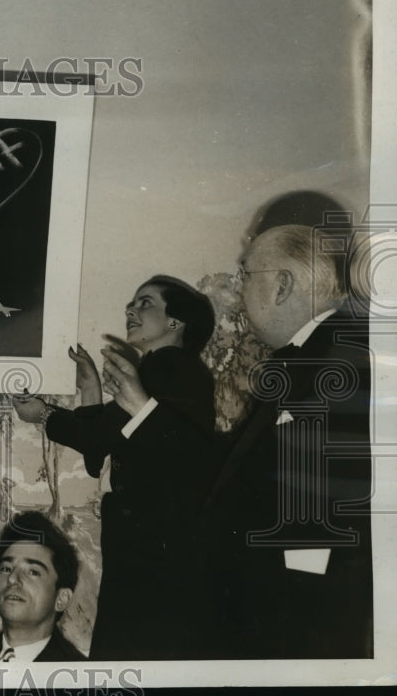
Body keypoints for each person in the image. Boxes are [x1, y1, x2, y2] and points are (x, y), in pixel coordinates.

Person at [13, 275, 216, 660]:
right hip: (146, 549)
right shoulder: (163, 372)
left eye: (146, 303)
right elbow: (101, 455)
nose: (130, 309)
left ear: (176, 323)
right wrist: (91, 390)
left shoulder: (170, 367)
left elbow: (103, 437)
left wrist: (43, 416)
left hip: (154, 554)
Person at [201, 224, 372, 659]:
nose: (239, 291)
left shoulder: (330, 361)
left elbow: (319, 522)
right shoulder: (318, 355)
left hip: (292, 621)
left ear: (282, 286)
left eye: (245, 275)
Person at [0, 511, 85, 662]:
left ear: (61, 599)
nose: (12, 578)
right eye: (6, 568)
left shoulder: (79, 672)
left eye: (33, 572)